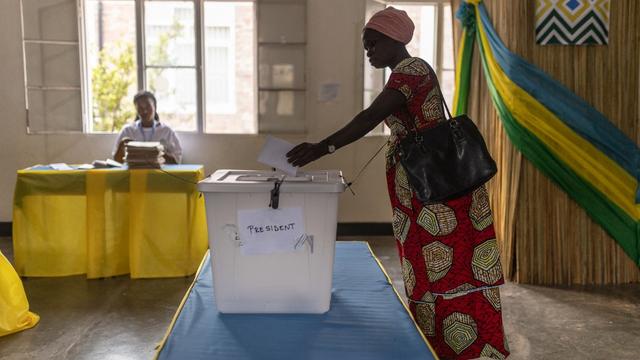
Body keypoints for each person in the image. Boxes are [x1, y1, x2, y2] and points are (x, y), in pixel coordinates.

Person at [287, 7, 509, 360]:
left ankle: (469, 348)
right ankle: (437, 343)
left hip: (439, 188)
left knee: (449, 263)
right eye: (366, 46)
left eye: (373, 44)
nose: (369, 51)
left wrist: (322, 148)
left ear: (394, 39)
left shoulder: (412, 70)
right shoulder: (403, 73)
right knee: (428, 261)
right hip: (426, 183)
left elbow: (369, 117)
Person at [112, 91, 183, 164]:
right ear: (136, 110)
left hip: (159, 173)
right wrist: (122, 144)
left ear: (155, 106)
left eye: (148, 106)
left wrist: (159, 152)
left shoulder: (166, 131)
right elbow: (116, 162)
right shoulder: (127, 131)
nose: (145, 111)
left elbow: (177, 160)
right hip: (134, 173)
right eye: (140, 108)